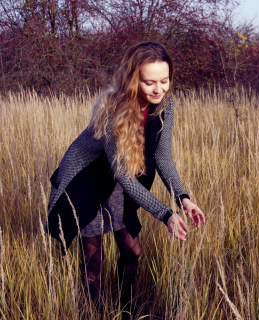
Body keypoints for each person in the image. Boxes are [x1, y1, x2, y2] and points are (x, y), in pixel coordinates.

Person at [46, 42, 205, 314]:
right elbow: (123, 174)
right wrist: (165, 214)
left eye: (165, 81)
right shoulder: (113, 108)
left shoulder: (165, 105)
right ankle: (92, 313)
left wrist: (183, 198)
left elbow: (162, 156)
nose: (159, 89)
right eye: (149, 82)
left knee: (133, 252)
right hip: (87, 182)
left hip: (119, 181)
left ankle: (125, 310)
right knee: (92, 259)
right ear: (133, 80)